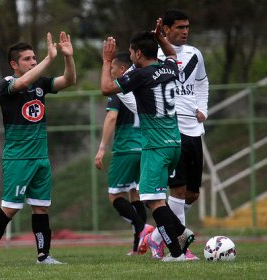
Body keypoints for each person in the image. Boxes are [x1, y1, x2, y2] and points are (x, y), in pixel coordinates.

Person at [0, 31, 76, 267]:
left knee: (41, 207)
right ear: (14, 64)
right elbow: (22, 83)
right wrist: (48, 60)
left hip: (41, 157)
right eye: (27, 59)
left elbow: (68, 81)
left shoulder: (40, 83)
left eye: (34, 58)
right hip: (18, 158)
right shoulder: (7, 84)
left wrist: (68, 58)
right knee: (10, 208)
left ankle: (44, 256)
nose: (33, 61)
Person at [100, 19, 195, 262]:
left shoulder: (141, 75)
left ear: (138, 53)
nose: (130, 55)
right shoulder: (170, 67)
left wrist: (107, 61)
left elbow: (106, 88)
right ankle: (182, 233)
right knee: (155, 198)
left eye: (131, 51)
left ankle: (176, 252)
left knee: (152, 200)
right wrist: (161, 38)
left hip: (155, 146)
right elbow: (172, 53)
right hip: (175, 143)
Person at [145, 9, 209, 261]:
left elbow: (202, 82)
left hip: (194, 129)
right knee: (178, 192)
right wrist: (150, 114)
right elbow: (128, 87)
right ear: (167, 30)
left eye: (187, 27)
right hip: (170, 131)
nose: (185, 31)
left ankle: (157, 237)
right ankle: (180, 246)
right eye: (180, 27)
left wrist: (202, 108)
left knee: (192, 193)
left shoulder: (195, 54)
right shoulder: (156, 55)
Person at [94, 52, 153, 256]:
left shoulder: (119, 87)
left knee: (114, 195)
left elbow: (111, 117)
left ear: (121, 70)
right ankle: (138, 247)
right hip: (144, 147)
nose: (110, 73)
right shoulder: (143, 85)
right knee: (134, 194)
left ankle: (142, 227)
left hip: (126, 148)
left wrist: (102, 148)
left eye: (112, 69)